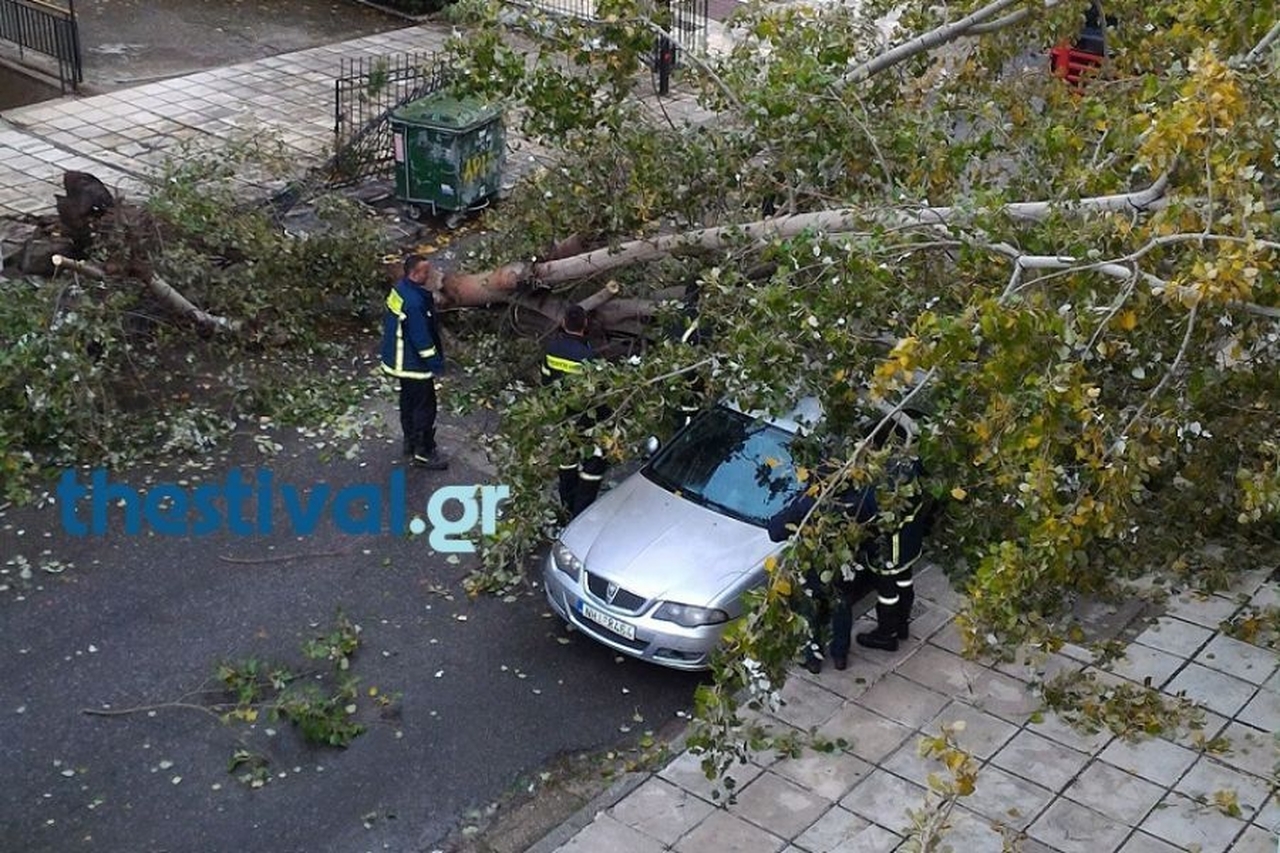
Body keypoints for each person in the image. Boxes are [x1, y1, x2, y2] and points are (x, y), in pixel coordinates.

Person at [769, 467, 878, 673]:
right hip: (842, 568)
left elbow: (775, 531)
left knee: (810, 612)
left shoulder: (807, 504)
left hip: (812, 569)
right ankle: (840, 655)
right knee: (842, 607)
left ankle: (813, 659)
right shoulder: (857, 501)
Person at [856, 427, 929, 651]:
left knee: (888, 594)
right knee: (905, 581)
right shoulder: (912, 470)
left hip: (889, 549)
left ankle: (887, 634)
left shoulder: (881, 488)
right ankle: (902, 624)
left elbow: (865, 514)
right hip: (910, 542)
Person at [380, 254, 447, 470]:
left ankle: (409, 443)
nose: (430, 275)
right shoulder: (415, 302)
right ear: (415, 274)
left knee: (408, 402)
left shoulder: (400, 290)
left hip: (399, 360)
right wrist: (436, 364)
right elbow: (421, 338)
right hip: (413, 363)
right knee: (424, 407)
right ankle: (424, 452)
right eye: (426, 272)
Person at [542, 305, 606, 516]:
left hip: (560, 415)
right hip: (584, 418)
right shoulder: (587, 357)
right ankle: (581, 510)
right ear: (585, 324)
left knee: (566, 461)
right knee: (593, 462)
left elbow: (545, 380)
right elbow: (598, 393)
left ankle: (566, 505)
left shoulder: (552, 349)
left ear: (563, 323)